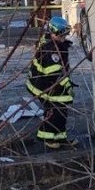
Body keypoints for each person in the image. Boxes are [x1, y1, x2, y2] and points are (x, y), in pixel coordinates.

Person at [27, 15, 76, 150]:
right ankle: (47, 138)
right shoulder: (50, 49)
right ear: (56, 32)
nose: (65, 37)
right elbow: (54, 72)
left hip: (50, 83)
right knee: (53, 111)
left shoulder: (57, 45)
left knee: (61, 111)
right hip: (44, 85)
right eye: (63, 34)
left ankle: (60, 137)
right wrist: (67, 84)